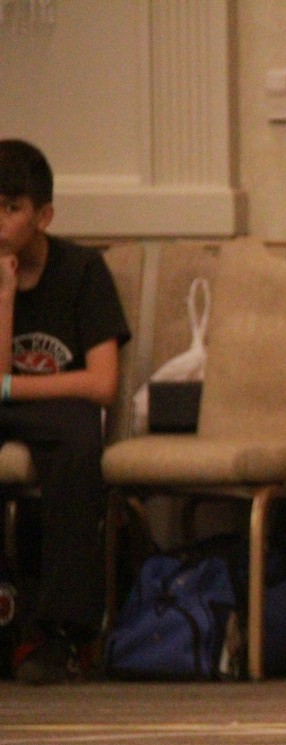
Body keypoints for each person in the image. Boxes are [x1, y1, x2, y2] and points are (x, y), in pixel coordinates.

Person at [0, 139, 131, 684]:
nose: (0, 222)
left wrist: (12, 388)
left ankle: (62, 631)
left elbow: (102, 384)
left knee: (78, 448)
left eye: (12, 208)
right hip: (17, 402)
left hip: (61, 408)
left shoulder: (82, 271)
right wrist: (4, 296)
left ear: (44, 216)